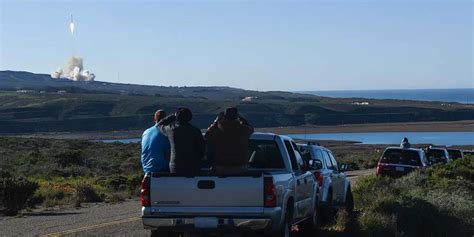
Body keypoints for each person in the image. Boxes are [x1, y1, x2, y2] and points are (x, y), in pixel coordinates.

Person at [205, 107, 254, 175]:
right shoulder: (243, 130)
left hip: (221, 167)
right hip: (240, 167)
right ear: (236, 117)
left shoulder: (217, 130)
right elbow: (251, 128)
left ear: (224, 117)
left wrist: (216, 121)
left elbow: (207, 135)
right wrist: (241, 118)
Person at [158, 108, 205, 175]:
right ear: (190, 117)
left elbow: (159, 124)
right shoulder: (195, 131)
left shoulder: (170, 129)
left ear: (177, 117)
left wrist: (173, 116)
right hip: (193, 167)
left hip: (175, 167)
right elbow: (202, 149)